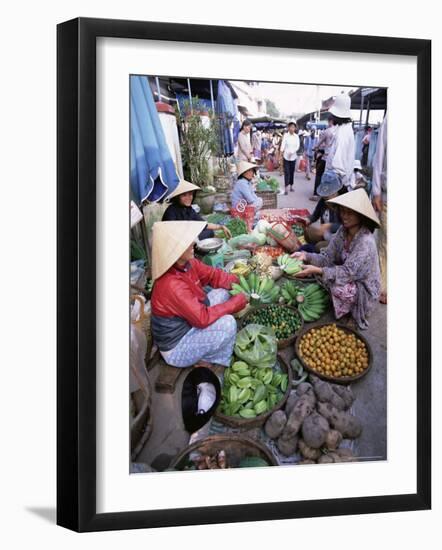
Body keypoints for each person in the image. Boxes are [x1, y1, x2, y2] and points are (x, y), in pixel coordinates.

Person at [151, 221, 248, 368]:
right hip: (177, 346)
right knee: (228, 323)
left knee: (222, 292)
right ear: (175, 251)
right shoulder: (171, 284)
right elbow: (202, 318)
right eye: (187, 243)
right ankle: (215, 360)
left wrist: (239, 282)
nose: (193, 244)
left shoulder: (188, 264)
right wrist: (233, 305)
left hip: (189, 322)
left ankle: (208, 351)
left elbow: (213, 275)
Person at [292, 188, 381, 329]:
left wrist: (319, 270)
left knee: (335, 286)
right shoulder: (342, 232)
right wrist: (306, 256)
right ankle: (340, 304)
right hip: (348, 276)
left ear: (360, 216)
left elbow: (347, 273)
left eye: (350, 212)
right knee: (325, 275)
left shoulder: (365, 241)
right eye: (342, 211)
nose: (344, 216)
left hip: (364, 288)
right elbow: (327, 257)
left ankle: (354, 312)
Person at [162, 179, 232, 240]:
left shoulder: (188, 209)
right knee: (199, 237)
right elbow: (172, 235)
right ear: (177, 197)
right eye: (184, 195)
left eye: (190, 194)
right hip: (176, 242)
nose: (188, 197)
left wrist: (221, 227)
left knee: (209, 232)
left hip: (187, 236)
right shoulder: (171, 211)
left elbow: (203, 224)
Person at [303, 170, 346, 251]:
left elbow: (346, 228)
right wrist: (309, 219)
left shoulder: (343, 205)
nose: (326, 198)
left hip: (338, 240)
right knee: (308, 231)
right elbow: (315, 215)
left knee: (319, 247)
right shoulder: (323, 200)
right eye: (325, 196)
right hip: (325, 235)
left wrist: (330, 226)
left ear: (336, 192)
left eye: (329, 195)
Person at [371, 114, 387, 304]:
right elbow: (379, 156)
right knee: (385, 243)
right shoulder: (390, 119)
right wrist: (376, 191)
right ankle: (383, 286)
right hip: (387, 193)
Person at [326, 93, 355, 191]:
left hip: (337, 183)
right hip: (339, 182)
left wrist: (330, 188)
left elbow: (339, 167)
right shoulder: (345, 129)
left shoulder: (343, 133)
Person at [311, 118, 335, 201]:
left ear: (330, 121)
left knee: (319, 175)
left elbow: (318, 143)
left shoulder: (327, 131)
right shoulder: (339, 131)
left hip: (326, 157)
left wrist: (315, 148)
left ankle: (316, 194)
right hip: (335, 159)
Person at [280, 121, 300, 195]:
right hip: (286, 157)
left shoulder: (296, 136)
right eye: (290, 127)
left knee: (292, 172)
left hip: (293, 157)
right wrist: (281, 152)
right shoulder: (285, 135)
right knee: (287, 172)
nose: (292, 128)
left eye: (293, 127)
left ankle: (291, 186)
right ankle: (286, 187)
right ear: (288, 128)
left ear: (295, 128)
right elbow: (283, 144)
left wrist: (293, 151)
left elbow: (297, 146)